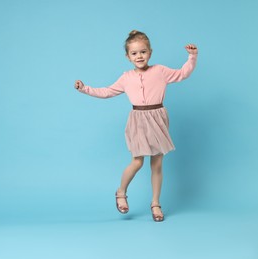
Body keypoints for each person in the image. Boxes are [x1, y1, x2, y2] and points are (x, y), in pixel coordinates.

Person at [74, 30, 198, 222]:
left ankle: (155, 203)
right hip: (138, 119)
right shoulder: (126, 77)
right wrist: (85, 89)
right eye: (134, 53)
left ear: (150, 52)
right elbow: (107, 91)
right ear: (127, 56)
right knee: (137, 161)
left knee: (157, 164)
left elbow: (182, 74)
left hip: (158, 117)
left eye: (143, 52)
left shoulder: (160, 71)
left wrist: (192, 57)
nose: (139, 56)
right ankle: (121, 191)